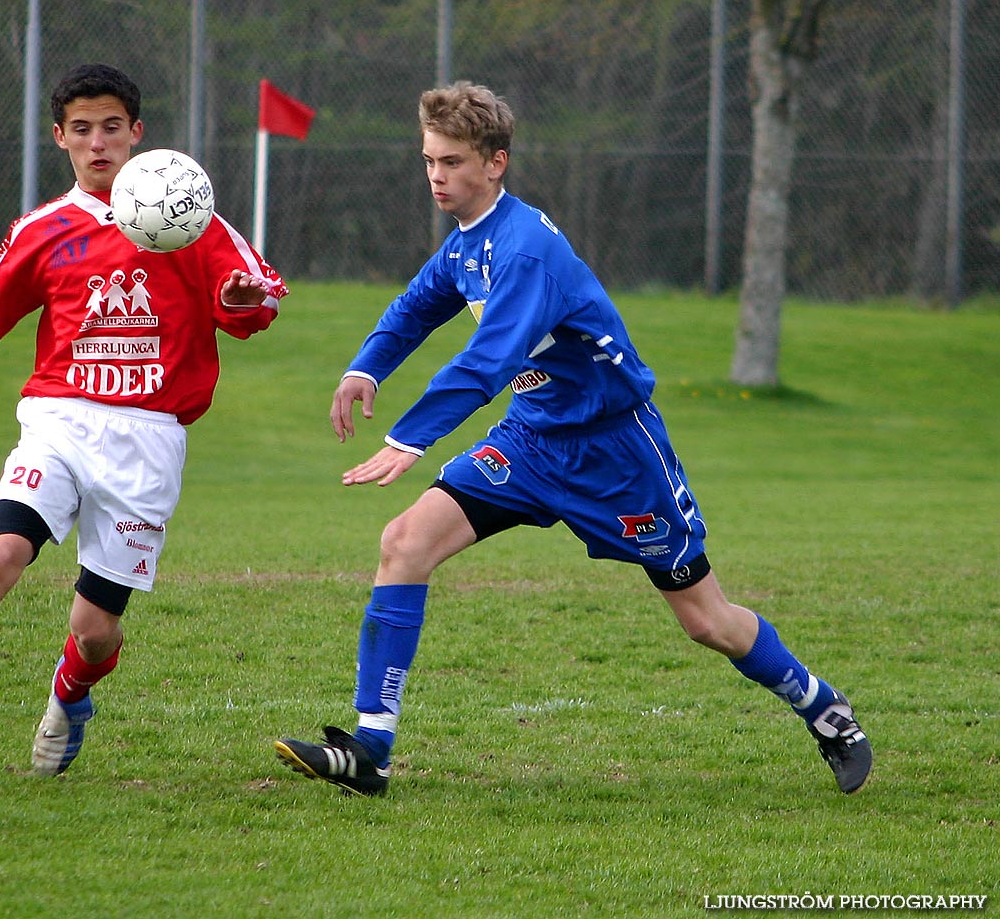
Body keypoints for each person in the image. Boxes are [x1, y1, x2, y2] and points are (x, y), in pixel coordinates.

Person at [273, 81, 869, 797]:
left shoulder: (523, 250)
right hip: (528, 444)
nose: (437, 175)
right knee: (404, 543)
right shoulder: (469, 243)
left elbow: (487, 361)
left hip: (615, 455)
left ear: (495, 163)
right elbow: (414, 309)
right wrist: (364, 367)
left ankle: (823, 709)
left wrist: (409, 438)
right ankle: (371, 750)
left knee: (706, 622)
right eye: (429, 160)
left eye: (453, 161)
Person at [0, 63, 287, 783]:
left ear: (136, 133)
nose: (98, 144)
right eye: (81, 130)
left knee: (93, 634)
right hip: (59, 421)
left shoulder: (191, 221)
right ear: (59, 138)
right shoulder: (43, 229)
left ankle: (70, 693)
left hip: (148, 437)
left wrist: (242, 298)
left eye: (111, 128)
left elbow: (257, 305)